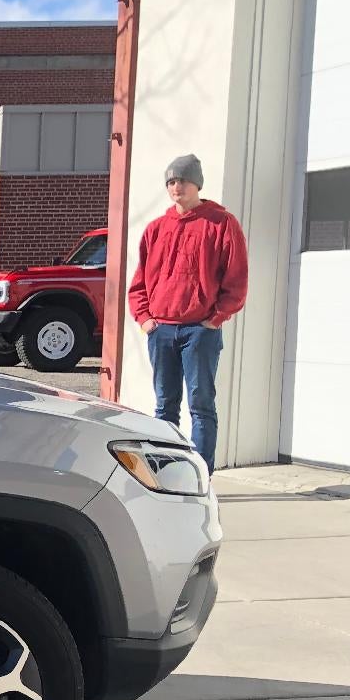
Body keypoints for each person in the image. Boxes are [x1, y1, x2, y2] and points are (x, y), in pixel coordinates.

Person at [128, 154, 248, 472]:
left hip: (199, 331)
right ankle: (165, 475)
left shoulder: (221, 224)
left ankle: (201, 477)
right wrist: (145, 320)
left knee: (201, 406)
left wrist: (215, 319)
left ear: (197, 183)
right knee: (165, 407)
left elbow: (236, 279)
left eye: (181, 179)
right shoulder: (156, 229)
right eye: (170, 181)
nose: (175, 186)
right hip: (161, 331)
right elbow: (139, 282)